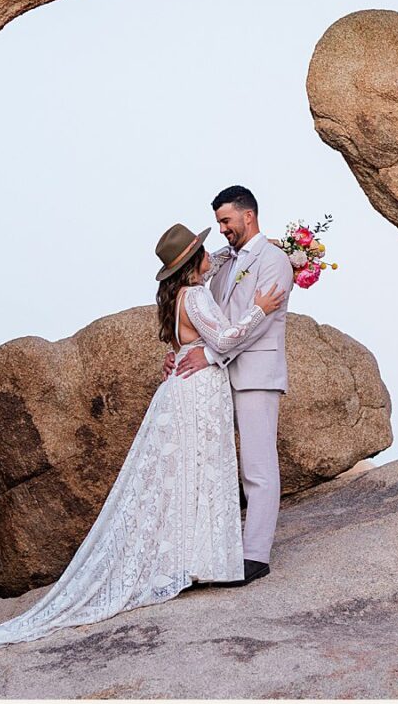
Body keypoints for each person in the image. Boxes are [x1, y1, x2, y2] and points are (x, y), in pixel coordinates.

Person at [0, 222, 288, 668]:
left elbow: (219, 267)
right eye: (202, 249)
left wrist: (267, 247)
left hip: (184, 388)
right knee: (198, 474)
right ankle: (198, 562)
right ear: (193, 262)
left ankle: (193, 561)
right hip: (196, 394)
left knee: (184, 478)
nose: (209, 253)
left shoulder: (178, 295)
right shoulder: (197, 296)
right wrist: (259, 310)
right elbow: (225, 338)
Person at [165, 185, 295, 586]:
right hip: (217, 381)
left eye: (226, 221)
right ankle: (214, 552)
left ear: (248, 216)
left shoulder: (274, 262)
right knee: (217, 467)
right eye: (219, 222)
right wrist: (182, 351)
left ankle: (255, 555)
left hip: (255, 374)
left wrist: (209, 355)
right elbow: (205, 316)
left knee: (258, 466)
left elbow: (259, 325)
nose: (222, 229)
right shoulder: (224, 263)